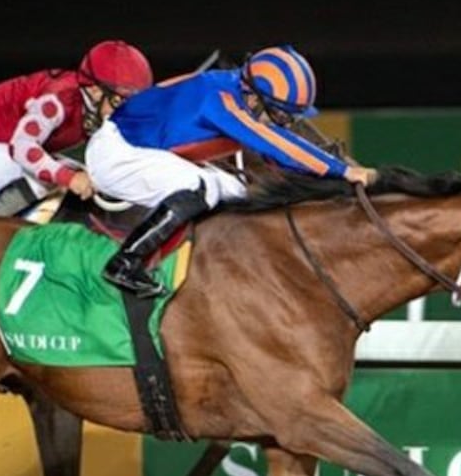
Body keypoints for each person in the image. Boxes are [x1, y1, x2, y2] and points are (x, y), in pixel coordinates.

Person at [86, 44, 378, 298]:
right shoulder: (221, 101)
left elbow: (274, 153)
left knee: (238, 193)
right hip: (117, 154)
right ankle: (126, 262)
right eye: (279, 114)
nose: (283, 122)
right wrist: (342, 172)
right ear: (252, 97)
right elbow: (276, 144)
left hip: (145, 148)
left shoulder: (236, 89)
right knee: (197, 186)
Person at [0, 39, 153, 212]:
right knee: (48, 178)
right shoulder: (57, 99)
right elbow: (22, 148)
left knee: (78, 172)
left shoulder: (94, 104)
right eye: (120, 101)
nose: (125, 111)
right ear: (96, 91)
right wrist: (69, 178)